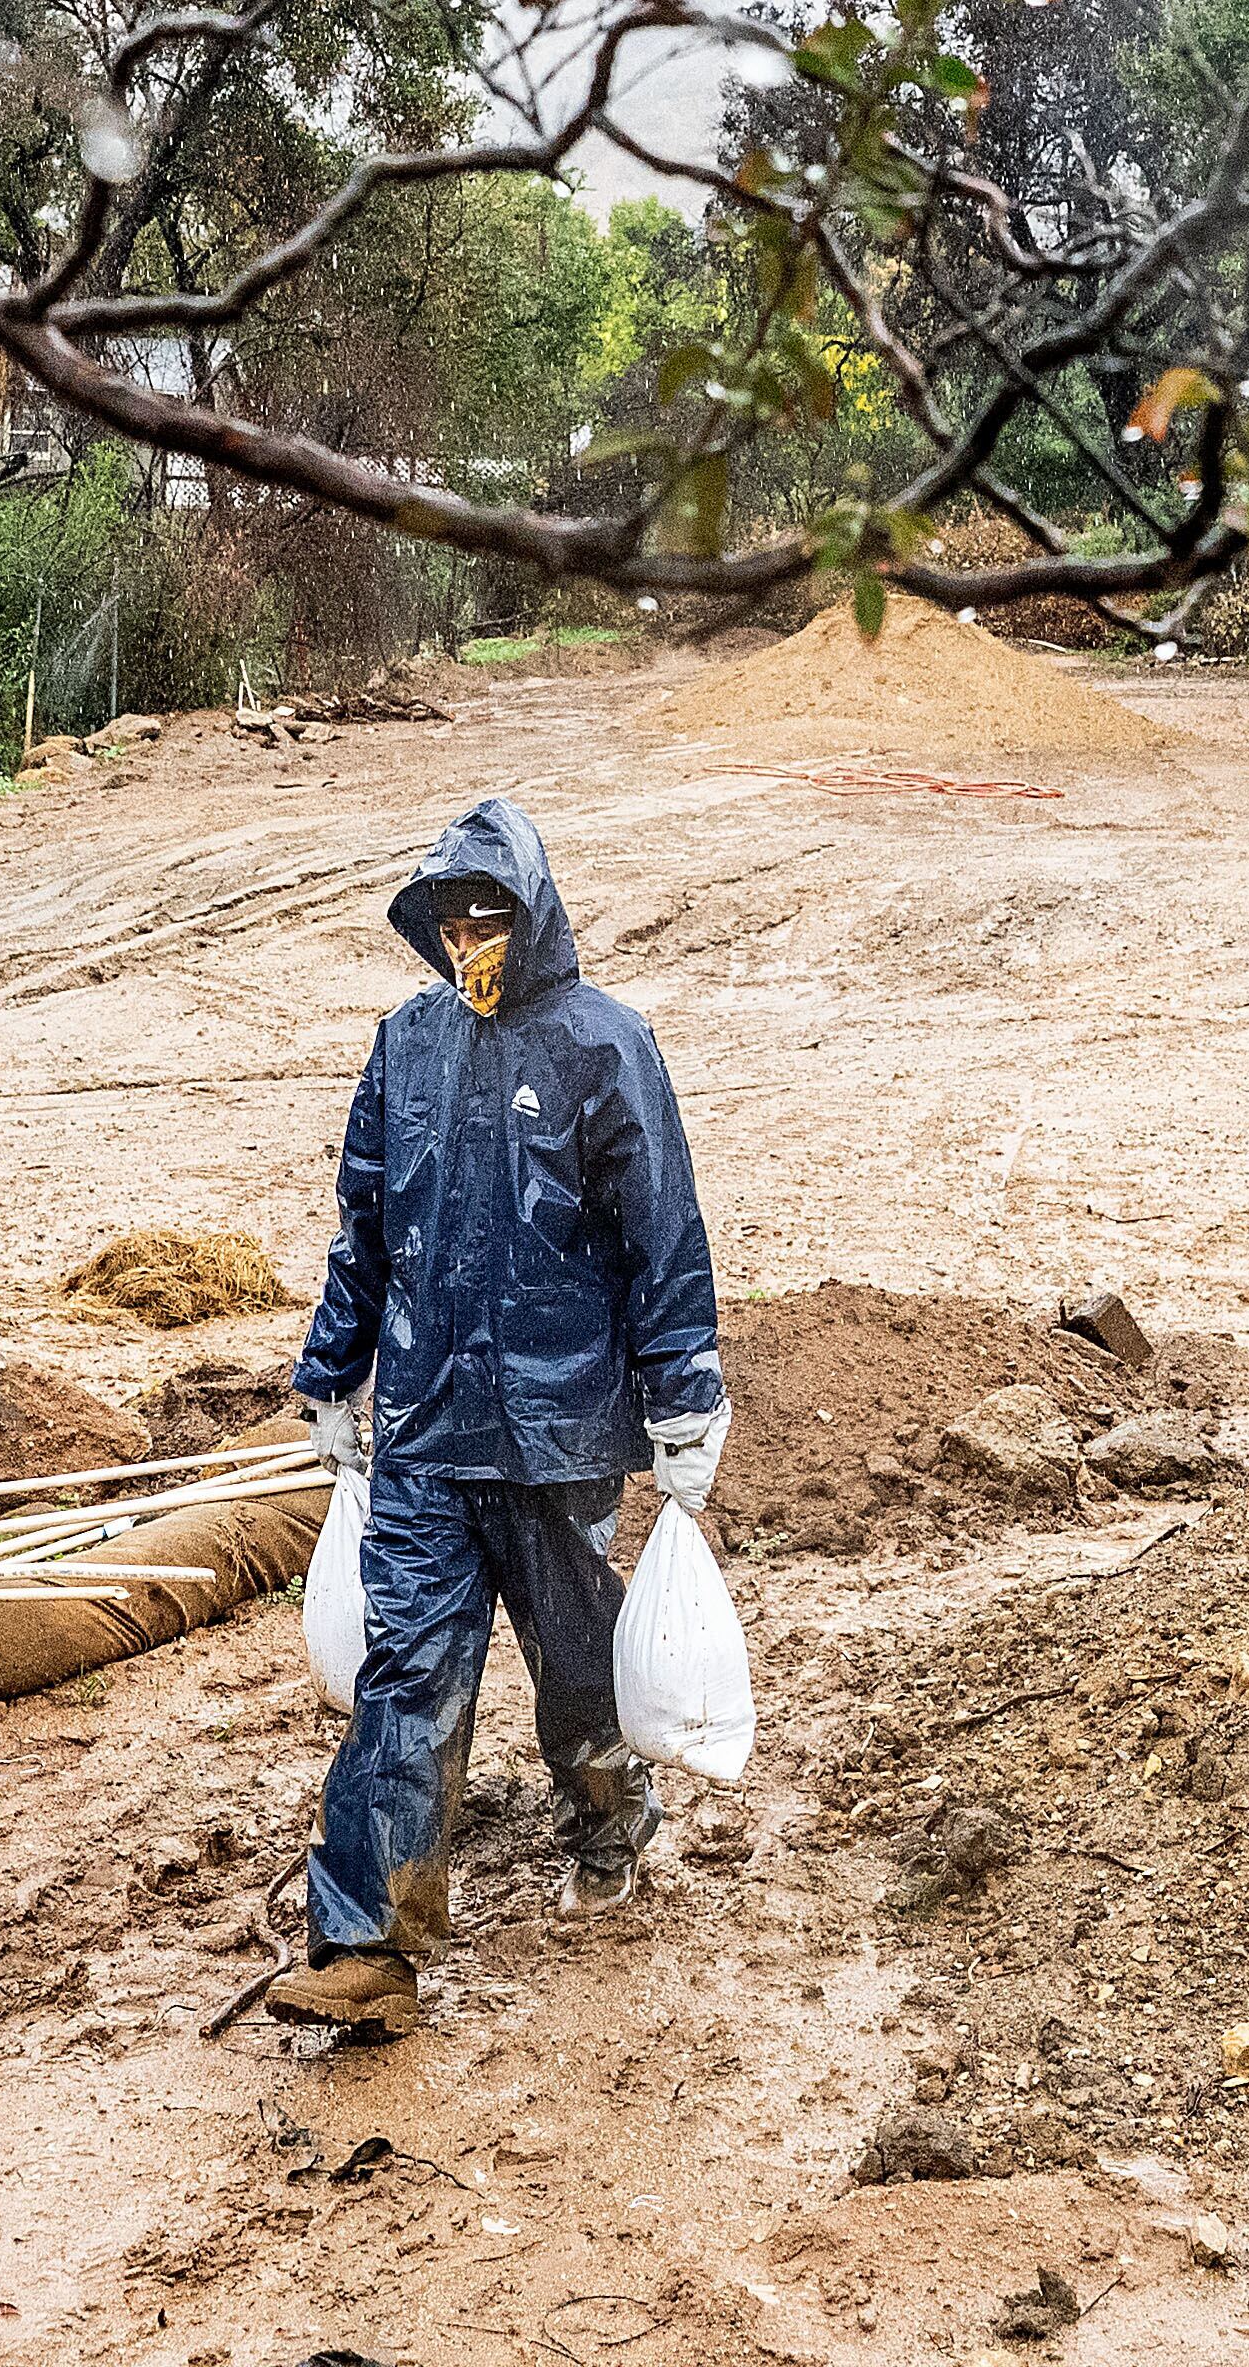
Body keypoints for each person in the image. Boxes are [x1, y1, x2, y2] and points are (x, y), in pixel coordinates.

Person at [273, 796, 725, 2040]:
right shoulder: (405, 1046)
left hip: (556, 1428)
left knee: (576, 1665)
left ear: (531, 922)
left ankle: (609, 1806)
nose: (470, 940)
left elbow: (661, 1239)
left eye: (491, 918)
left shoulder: (603, 1048)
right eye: (452, 921)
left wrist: (686, 1397)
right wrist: (332, 1376)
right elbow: (364, 1229)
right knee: (408, 1673)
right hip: (423, 1429)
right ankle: (371, 1943)